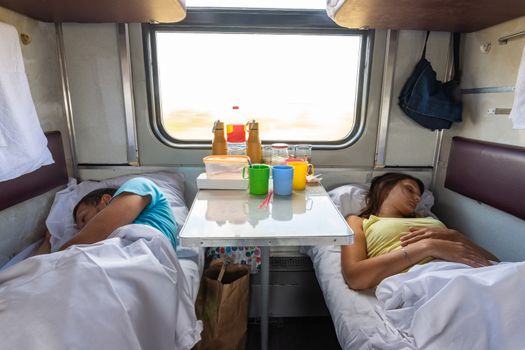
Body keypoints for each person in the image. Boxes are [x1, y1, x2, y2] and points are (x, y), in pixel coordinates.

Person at [341, 172, 498, 290]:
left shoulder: (428, 220)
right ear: (384, 188)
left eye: (419, 196)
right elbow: (355, 277)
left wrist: (456, 236)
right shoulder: (359, 221)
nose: (417, 199)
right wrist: (428, 247)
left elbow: (495, 262)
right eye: (410, 189)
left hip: (473, 272)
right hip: (427, 279)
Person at [36, 177, 177, 254]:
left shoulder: (140, 185)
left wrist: (54, 258)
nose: (84, 229)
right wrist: (47, 243)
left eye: (84, 218)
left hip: (142, 256)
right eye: (80, 228)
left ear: (106, 200)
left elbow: (100, 228)